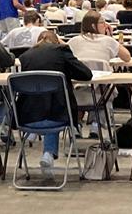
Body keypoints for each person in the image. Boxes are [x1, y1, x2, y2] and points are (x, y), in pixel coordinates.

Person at [17, 31, 93, 177]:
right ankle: (48, 154)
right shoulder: (61, 51)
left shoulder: (25, 57)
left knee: (45, 101)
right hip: (58, 115)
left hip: (27, 116)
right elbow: (86, 74)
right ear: (57, 42)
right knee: (55, 104)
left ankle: (38, 141)